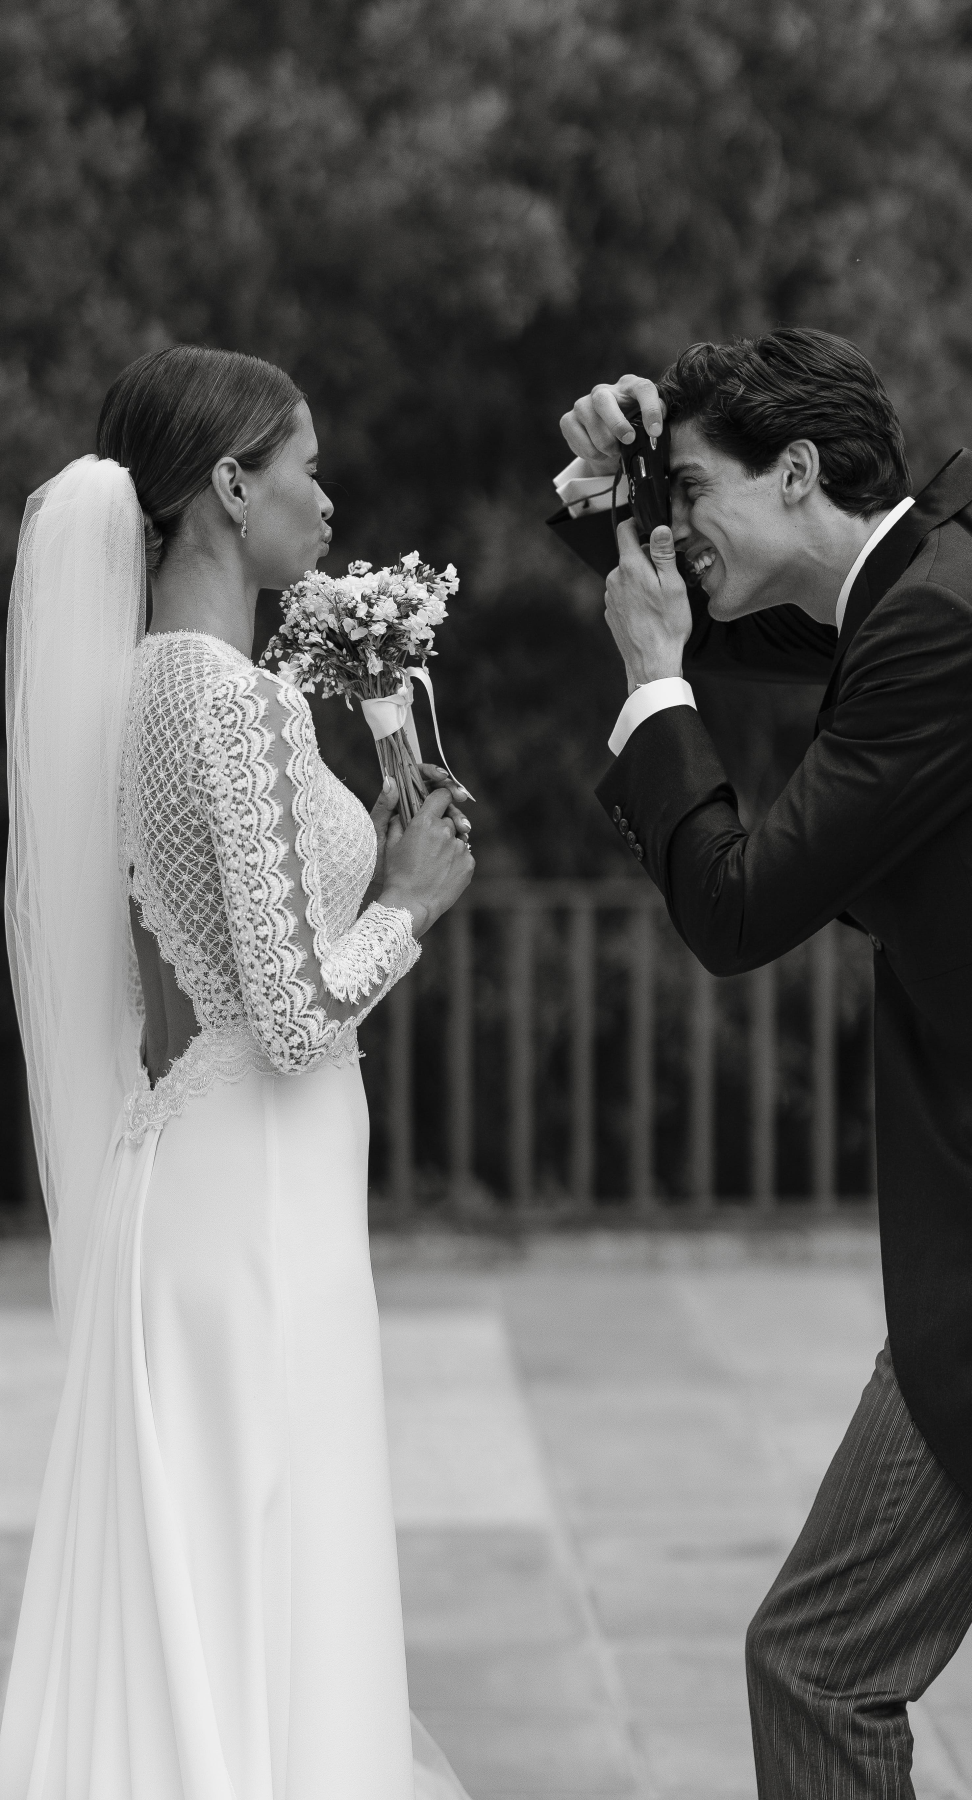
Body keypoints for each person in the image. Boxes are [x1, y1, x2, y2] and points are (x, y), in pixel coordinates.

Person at [552, 328, 972, 1798]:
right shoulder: (941, 568)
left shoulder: (935, 633)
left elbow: (735, 907)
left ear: (796, 473)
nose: (681, 525)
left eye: (695, 490)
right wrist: (618, 497)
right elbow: (743, 624)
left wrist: (652, 678)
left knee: (817, 1667)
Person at [1, 346, 475, 1799]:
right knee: (277, 1544)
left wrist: (367, 861)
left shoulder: (147, 687)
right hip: (256, 1200)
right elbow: (288, 1017)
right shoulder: (233, 702)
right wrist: (413, 902)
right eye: (305, 470)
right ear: (226, 485)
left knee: (221, 1562)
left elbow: (212, 965)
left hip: (201, 1180)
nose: (327, 502)